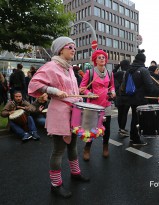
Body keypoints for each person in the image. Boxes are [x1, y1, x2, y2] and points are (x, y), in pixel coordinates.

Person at [28, 36, 89, 198]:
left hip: (73, 112)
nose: (73, 50)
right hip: (60, 113)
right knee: (58, 150)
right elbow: (34, 84)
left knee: (73, 145)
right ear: (61, 49)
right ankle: (56, 185)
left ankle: (75, 173)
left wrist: (79, 97)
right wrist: (54, 91)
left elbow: (71, 89)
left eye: (74, 47)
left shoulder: (69, 68)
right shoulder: (51, 66)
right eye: (70, 47)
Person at [80, 49, 116, 159]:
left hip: (106, 103)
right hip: (94, 105)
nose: (102, 59)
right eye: (99, 57)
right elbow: (82, 88)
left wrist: (113, 92)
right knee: (92, 128)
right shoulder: (89, 72)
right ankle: (87, 148)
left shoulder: (110, 73)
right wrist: (89, 93)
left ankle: (105, 147)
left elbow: (112, 86)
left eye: (103, 57)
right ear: (95, 60)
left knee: (107, 128)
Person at [122, 49, 159, 146]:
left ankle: (133, 137)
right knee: (138, 119)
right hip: (140, 98)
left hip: (130, 98)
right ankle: (136, 139)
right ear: (144, 60)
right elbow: (149, 87)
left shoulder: (128, 71)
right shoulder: (143, 70)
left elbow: (124, 85)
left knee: (134, 118)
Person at [113, 59, 131, 137]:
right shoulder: (129, 73)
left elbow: (111, 74)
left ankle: (121, 128)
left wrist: (117, 66)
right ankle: (122, 130)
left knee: (120, 113)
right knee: (125, 114)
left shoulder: (118, 73)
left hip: (119, 96)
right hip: (127, 96)